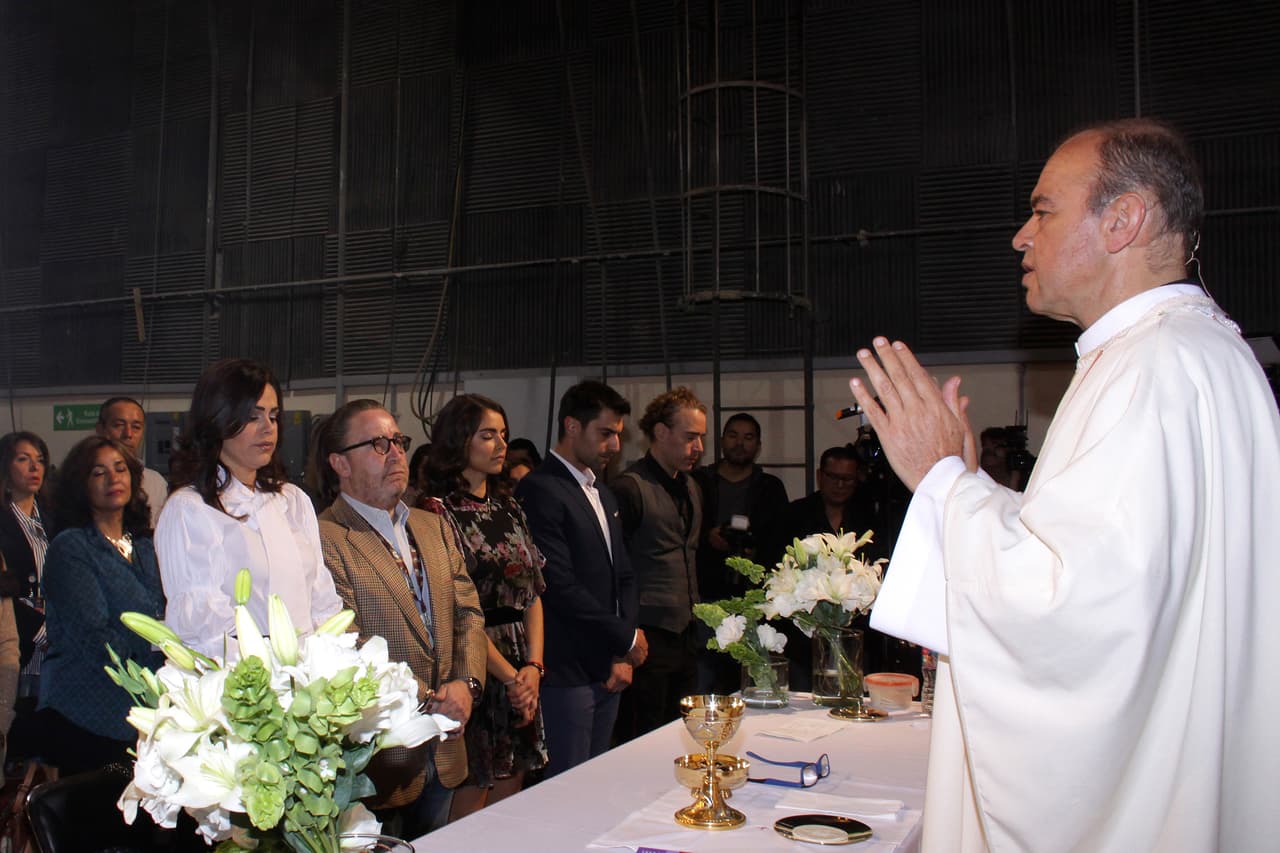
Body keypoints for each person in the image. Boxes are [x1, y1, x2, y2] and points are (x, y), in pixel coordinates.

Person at [850, 118, 1280, 852]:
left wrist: (944, 482)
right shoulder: (1191, 353)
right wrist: (980, 491)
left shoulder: (1155, 368)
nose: (1021, 235)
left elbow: (1077, 613)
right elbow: (1114, 562)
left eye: (1044, 210)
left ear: (1124, 219)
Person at [315, 400, 486, 837]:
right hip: (381, 760)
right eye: (377, 444)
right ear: (340, 463)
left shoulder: (433, 525)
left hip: (447, 744)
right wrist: (430, 697)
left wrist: (466, 685)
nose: (395, 453)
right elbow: (343, 642)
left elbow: (468, 612)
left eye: (398, 441)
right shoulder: (324, 538)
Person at [155, 359, 343, 657]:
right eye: (253, 417)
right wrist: (271, 672)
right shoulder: (190, 509)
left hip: (309, 680)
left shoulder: (293, 501)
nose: (268, 428)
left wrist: (326, 666)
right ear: (218, 421)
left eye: (273, 415)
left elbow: (321, 600)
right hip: (244, 685)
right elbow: (205, 630)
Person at [419, 394, 547, 820]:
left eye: (504, 436)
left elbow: (533, 594)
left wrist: (533, 668)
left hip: (520, 665)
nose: (500, 445)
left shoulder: (509, 507)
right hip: (472, 663)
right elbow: (456, 608)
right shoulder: (435, 511)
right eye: (487, 435)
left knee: (512, 795)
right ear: (459, 441)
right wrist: (512, 678)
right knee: (472, 800)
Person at [514, 381, 645, 777]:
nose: (615, 446)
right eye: (605, 434)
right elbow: (558, 585)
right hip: (566, 667)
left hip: (607, 663)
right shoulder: (540, 488)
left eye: (618, 435)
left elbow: (623, 573)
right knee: (565, 788)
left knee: (595, 783)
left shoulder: (601, 492)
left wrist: (624, 647)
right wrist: (625, 639)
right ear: (572, 426)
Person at [38, 436, 165, 775]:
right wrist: (160, 640)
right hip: (89, 715)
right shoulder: (72, 548)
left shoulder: (144, 545)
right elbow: (97, 639)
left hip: (141, 712)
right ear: (81, 485)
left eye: (120, 469)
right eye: (99, 472)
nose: (113, 479)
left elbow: (161, 613)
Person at [611, 387, 705, 742]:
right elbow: (615, 570)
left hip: (687, 634)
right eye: (690, 437)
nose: (698, 448)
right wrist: (623, 639)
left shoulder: (693, 486)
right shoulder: (630, 487)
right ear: (661, 433)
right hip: (647, 634)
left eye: (700, 439)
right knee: (642, 734)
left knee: (683, 733)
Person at [691, 412, 789, 694]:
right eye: (733, 435)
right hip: (705, 596)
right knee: (703, 681)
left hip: (752, 601)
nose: (740, 444)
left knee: (751, 683)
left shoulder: (770, 487)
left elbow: (780, 541)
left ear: (758, 444)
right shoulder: (698, 481)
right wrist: (707, 536)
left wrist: (750, 549)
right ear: (721, 441)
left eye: (748, 437)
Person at [778, 445, 886, 690]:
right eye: (833, 477)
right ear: (819, 476)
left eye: (847, 479)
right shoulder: (794, 514)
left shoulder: (869, 519)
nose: (839, 485)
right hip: (803, 637)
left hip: (854, 634)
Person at [0, 430, 56, 761]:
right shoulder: (3, 520)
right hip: (20, 638)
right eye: (24, 459)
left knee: (46, 741)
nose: (35, 468)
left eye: (40, 461)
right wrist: (41, 629)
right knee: (16, 736)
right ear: (6, 466)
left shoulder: (52, 519)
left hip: (55, 640)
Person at [96, 396, 169, 525]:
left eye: (136, 427)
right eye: (119, 425)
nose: (128, 434)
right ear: (101, 429)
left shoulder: (155, 482)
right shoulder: (89, 478)